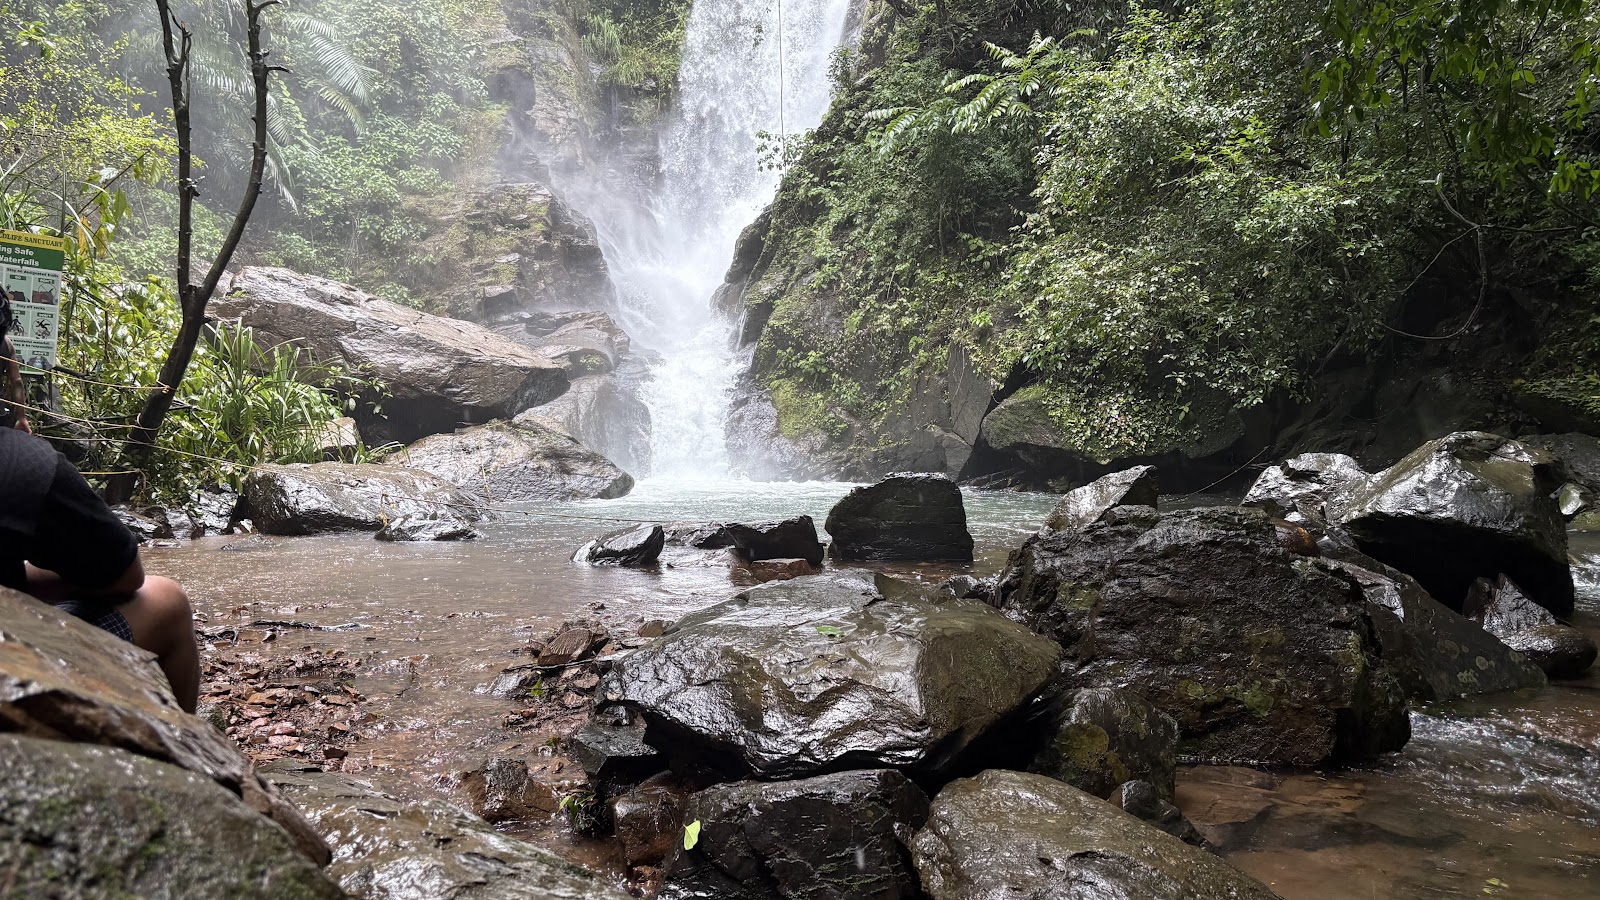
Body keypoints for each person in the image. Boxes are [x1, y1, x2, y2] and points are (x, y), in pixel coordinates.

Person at [0, 426, 200, 712]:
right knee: (167, 598)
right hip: (9, 676)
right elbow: (125, 577)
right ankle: (183, 748)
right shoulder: (23, 461)